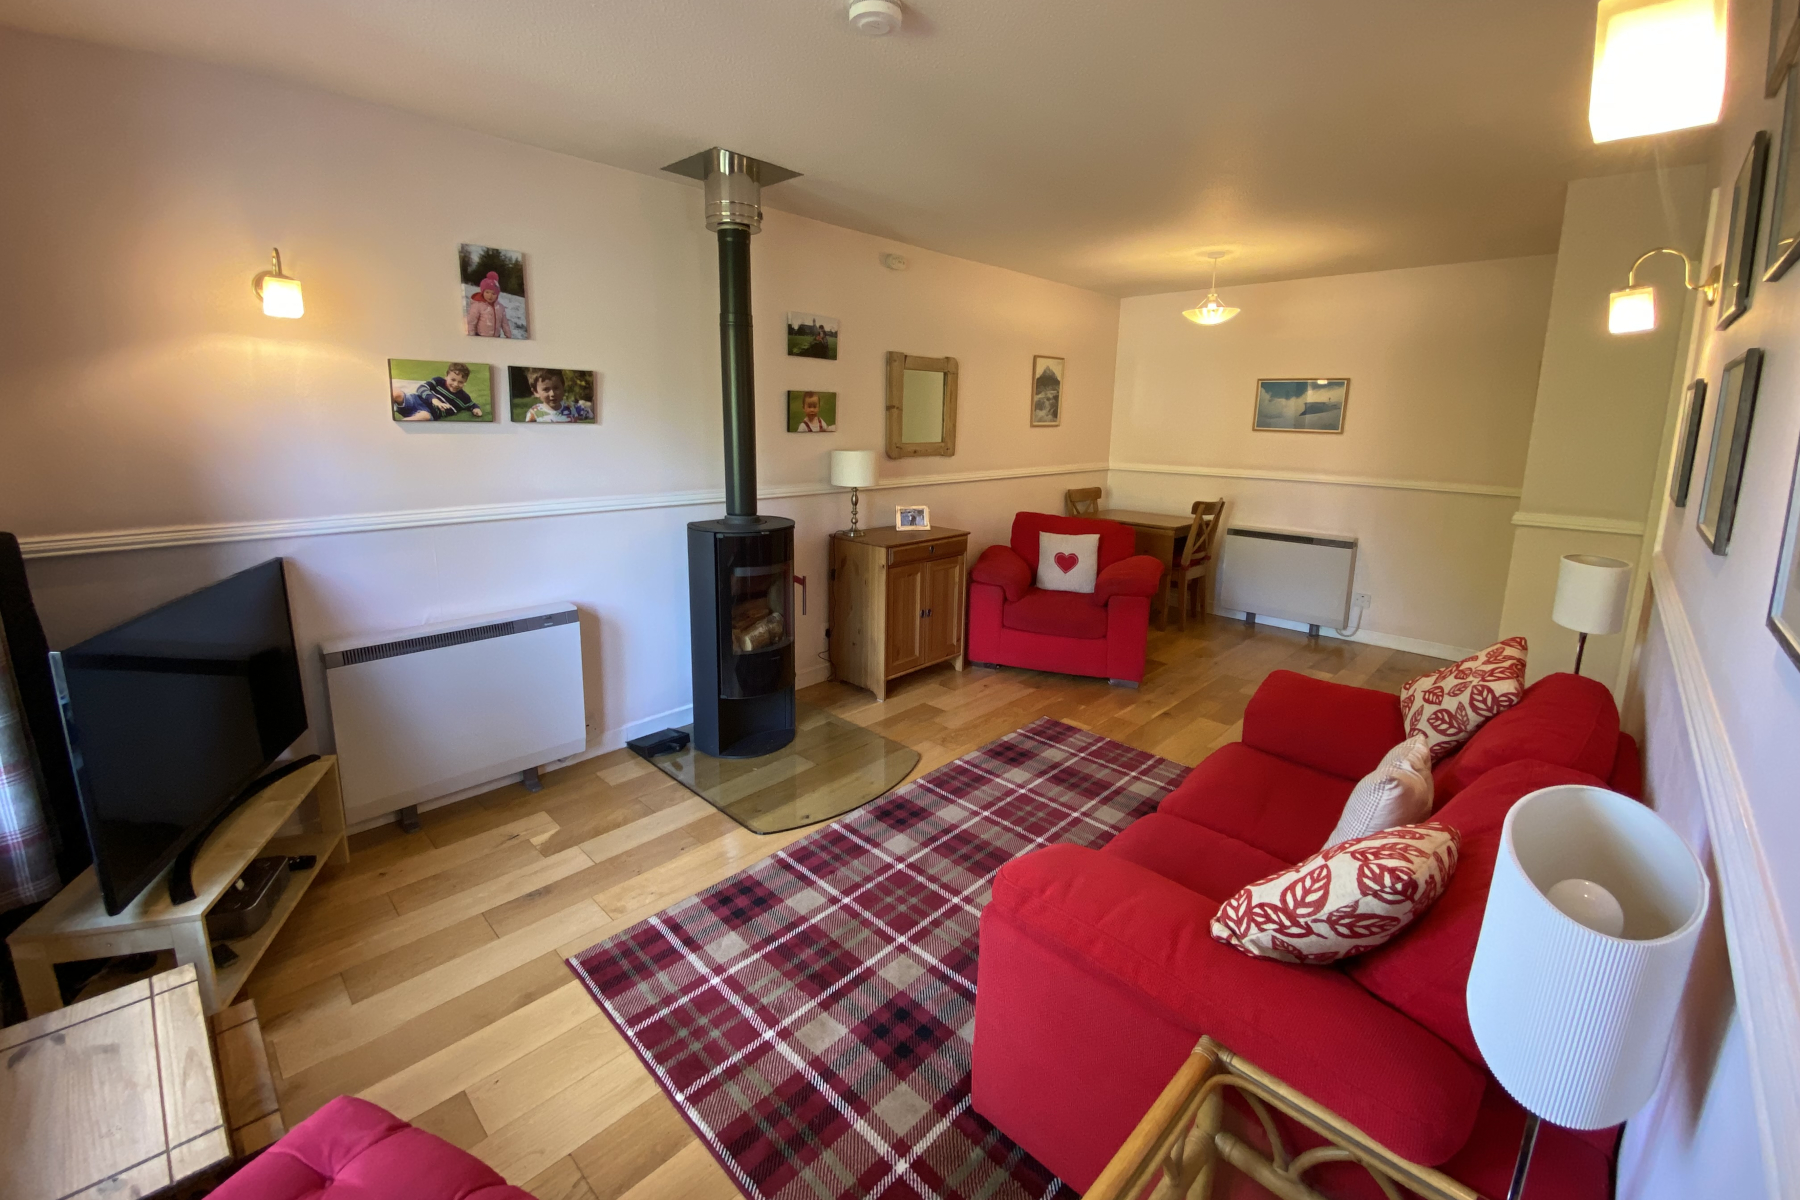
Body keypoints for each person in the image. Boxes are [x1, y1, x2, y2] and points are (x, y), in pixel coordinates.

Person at [395, 363, 483, 421]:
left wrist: (476, 409)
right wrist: (434, 400)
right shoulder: (438, 381)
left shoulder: (464, 397)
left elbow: (471, 404)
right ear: (446, 376)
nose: (456, 384)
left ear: (465, 382)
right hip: (414, 401)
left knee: (425, 416)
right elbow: (421, 388)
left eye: (460, 382)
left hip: (428, 412)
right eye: (453, 380)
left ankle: (403, 423)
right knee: (396, 393)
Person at [522, 368, 592, 423]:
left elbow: (595, 414)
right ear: (536, 392)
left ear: (563, 387)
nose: (552, 394)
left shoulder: (574, 408)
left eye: (556, 388)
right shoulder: (534, 413)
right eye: (546, 389)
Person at [464, 270, 513, 338]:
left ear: (497, 294)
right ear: (482, 292)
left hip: (496, 338)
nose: (490, 296)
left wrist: (508, 336)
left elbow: (504, 323)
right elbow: (471, 322)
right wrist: (471, 337)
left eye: (493, 293)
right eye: (487, 292)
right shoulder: (477, 306)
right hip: (481, 337)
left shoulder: (500, 307)